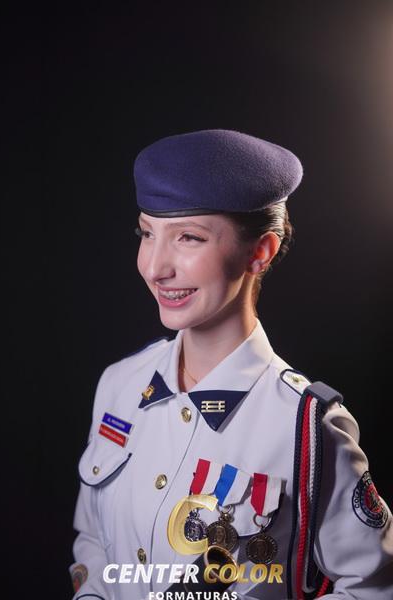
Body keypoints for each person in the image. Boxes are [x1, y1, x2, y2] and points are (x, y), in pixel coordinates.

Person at [70, 129, 393, 600]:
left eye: (188, 237)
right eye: (147, 233)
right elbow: (93, 540)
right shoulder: (120, 384)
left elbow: (375, 588)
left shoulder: (306, 426)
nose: (155, 267)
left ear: (259, 252)